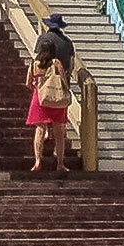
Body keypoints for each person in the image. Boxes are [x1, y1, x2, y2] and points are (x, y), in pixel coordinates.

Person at [28, 45, 73, 176]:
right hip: (56, 99)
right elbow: (64, 81)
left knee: (40, 130)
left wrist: (38, 88)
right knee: (59, 134)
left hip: (40, 99)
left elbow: (28, 83)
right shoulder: (56, 62)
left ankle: (37, 161)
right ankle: (60, 164)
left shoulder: (34, 65)